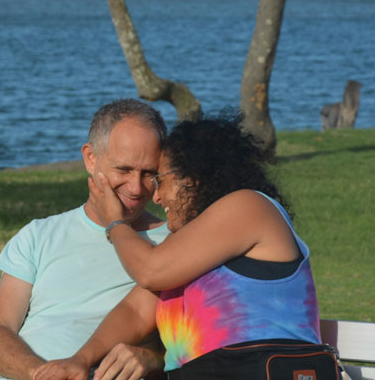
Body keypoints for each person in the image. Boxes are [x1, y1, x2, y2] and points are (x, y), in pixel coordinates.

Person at [34, 115, 322, 379]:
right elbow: (135, 310)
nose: (156, 197)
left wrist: (115, 222)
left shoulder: (249, 206)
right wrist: (80, 360)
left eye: (160, 180)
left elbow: (149, 271)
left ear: (194, 178)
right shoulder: (190, 241)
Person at [0, 99, 171, 380]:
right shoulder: (39, 234)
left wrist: (156, 359)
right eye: (123, 170)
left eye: (149, 173)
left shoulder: (175, 244)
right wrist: (42, 375)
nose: (136, 187)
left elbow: (202, 341)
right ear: (90, 158)